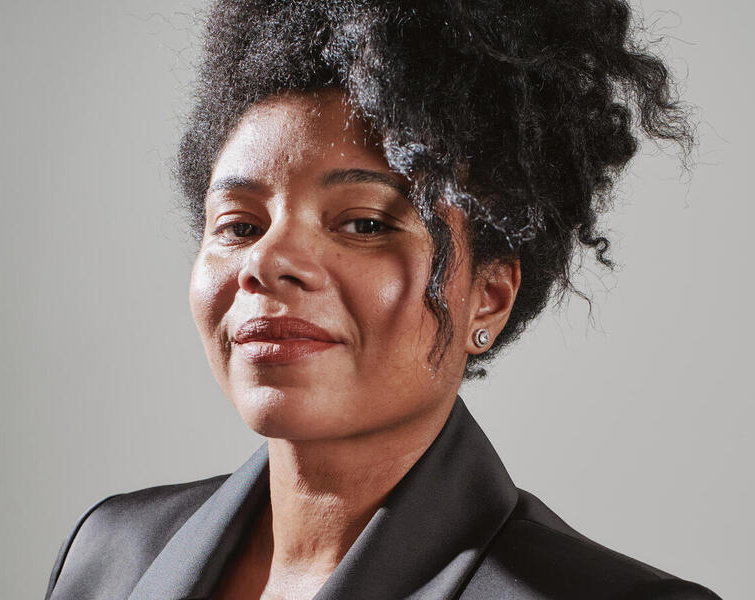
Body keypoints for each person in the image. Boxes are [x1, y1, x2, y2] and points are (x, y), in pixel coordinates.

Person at [44, 1, 721, 598]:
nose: (267, 261)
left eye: (364, 223)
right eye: (240, 226)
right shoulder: (109, 555)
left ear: (487, 299)